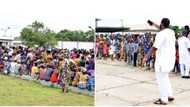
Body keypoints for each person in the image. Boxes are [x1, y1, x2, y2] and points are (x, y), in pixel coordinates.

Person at [143, 18, 175, 105]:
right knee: (165, 78)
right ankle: (170, 95)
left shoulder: (161, 34)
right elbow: (162, 28)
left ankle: (164, 99)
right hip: (170, 60)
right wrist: (153, 24)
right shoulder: (171, 32)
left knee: (161, 80)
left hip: (162, 61)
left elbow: (155, 47)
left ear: (162, 24)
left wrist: (146, 57)